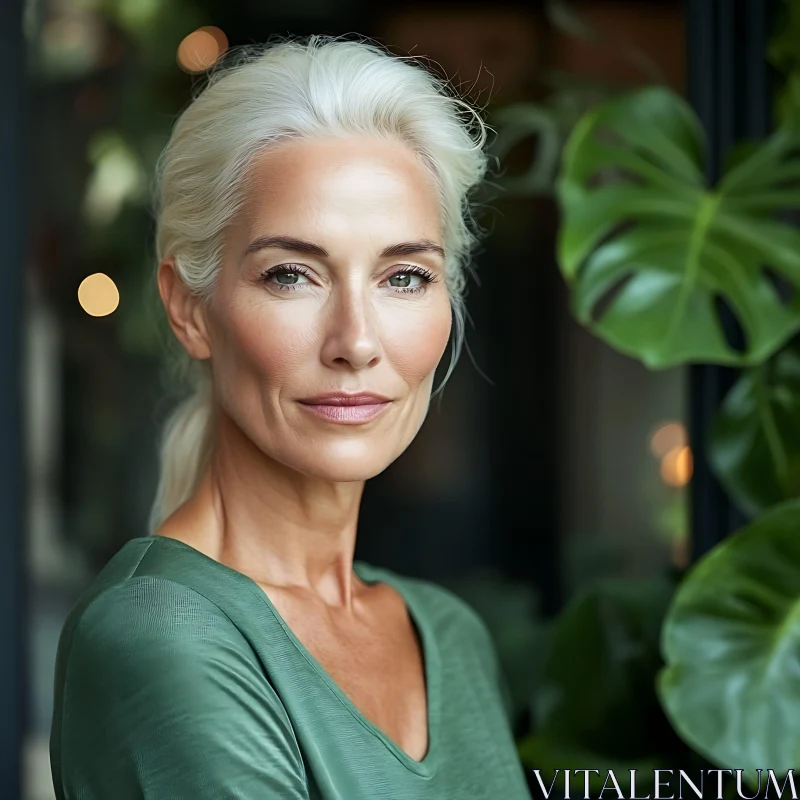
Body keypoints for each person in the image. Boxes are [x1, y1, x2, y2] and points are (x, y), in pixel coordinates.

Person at [49, 34, 531, 800]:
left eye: (404, 275)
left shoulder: (447, 635)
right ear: (189, 308)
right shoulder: (161, 633)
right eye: (291, 275)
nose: (357, 342)